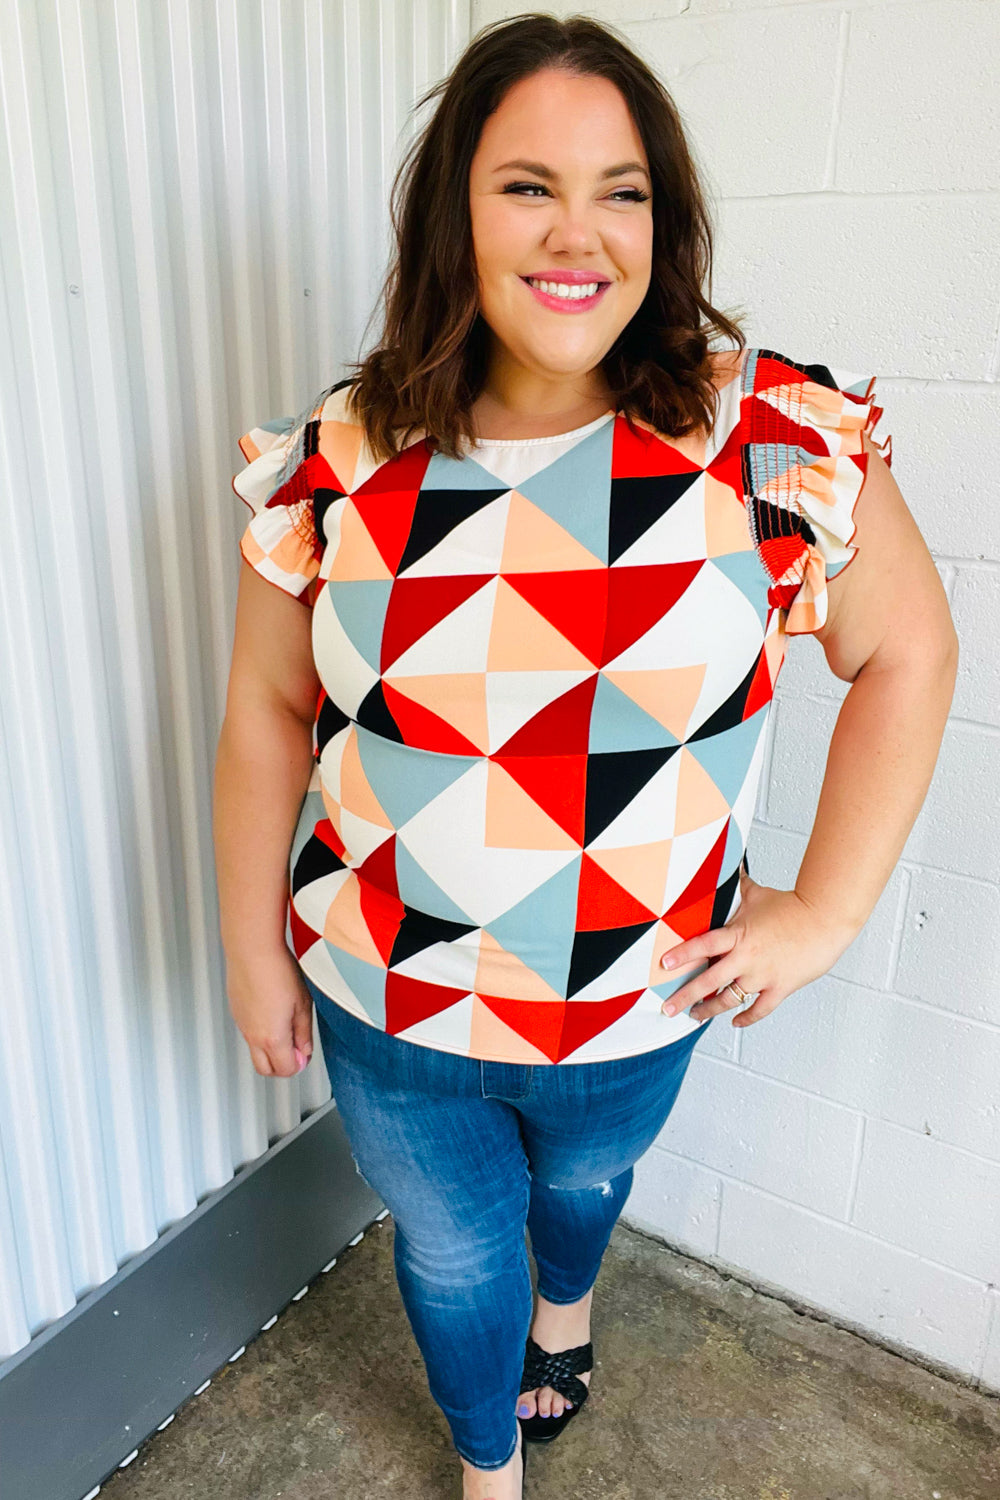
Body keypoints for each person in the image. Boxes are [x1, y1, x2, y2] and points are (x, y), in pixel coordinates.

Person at [213, 14, 957, 1498]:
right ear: (453, 211)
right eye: (525, 184)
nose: (577, 231)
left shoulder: (760, 437)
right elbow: (262, 715)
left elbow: (908, 656)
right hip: (391, 1000)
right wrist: (248, 944)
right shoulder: (346, 455)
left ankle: (574, 1311)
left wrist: (823, 912)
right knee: (452, 1241)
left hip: (636, 998)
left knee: (582, 1191)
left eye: (621, 189)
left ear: (662, 221)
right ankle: (490, 1464)